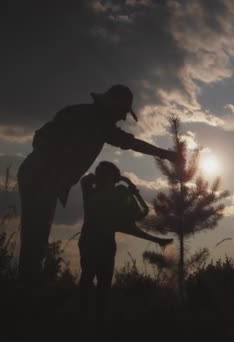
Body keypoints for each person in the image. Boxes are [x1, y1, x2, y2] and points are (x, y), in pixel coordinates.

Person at [17, 84, 177, 283]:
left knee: (35, 243)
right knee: (34, 243)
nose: (123, 118)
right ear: (111, 105)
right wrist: (53, 166)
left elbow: (40, 137)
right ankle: (25, 294)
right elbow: (42, 138)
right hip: (40, 177)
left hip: (41, 177)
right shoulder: (93, 120)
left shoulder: (90, 119)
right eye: (122, 111)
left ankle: (27, 288)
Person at [78, 161, 172, 325]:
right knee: (88, 281)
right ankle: (83, 321)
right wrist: (126, 184)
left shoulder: (117, 193)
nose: (102, 177)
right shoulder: (91, 191)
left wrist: (130, 187)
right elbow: (86, 180)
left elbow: (140, 213)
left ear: (112, 178)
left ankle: (96, 323)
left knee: (103, 285)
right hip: (90, 241)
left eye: (106, 174)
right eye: (101, 173)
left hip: (105, 242)